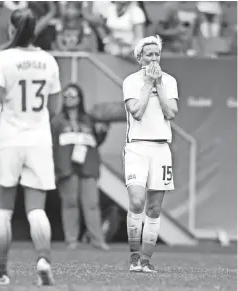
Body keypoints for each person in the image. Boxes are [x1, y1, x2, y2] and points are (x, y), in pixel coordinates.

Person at [0, 8, 61, 286]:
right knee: (37, 210)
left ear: (12, 30)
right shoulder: (48, 61)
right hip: (38, 140)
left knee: (2, 211)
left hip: (8, 139)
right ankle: (43, 260)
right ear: (34, 30)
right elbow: (55, 107)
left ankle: (0, 273)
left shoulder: (2, 59)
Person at [122, 35, 179, 272]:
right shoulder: (131, 81)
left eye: (157, 54)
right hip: (137, 146)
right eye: (149, 54)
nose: (154, 58)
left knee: (154, 208)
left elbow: (171, 112)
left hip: (161, 148)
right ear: (139, 58)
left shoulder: (169, 81)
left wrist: (159, 85)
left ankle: (146, 261)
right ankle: (134, 257)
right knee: (136, 201)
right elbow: (136, 111)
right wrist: (147, 84)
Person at [51, 83, 110, 251]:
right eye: (66, 96)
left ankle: (97, 239)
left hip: (88, 165)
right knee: (70, 203)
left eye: (73, 96)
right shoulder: (57, 121)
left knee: (91, 203)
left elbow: (95, 142)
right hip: (66, 167)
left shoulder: (89, 120)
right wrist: (54, 168)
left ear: (80, 98)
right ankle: (71, 240)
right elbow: (52, 145)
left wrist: (103, 132)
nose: (69, 99)